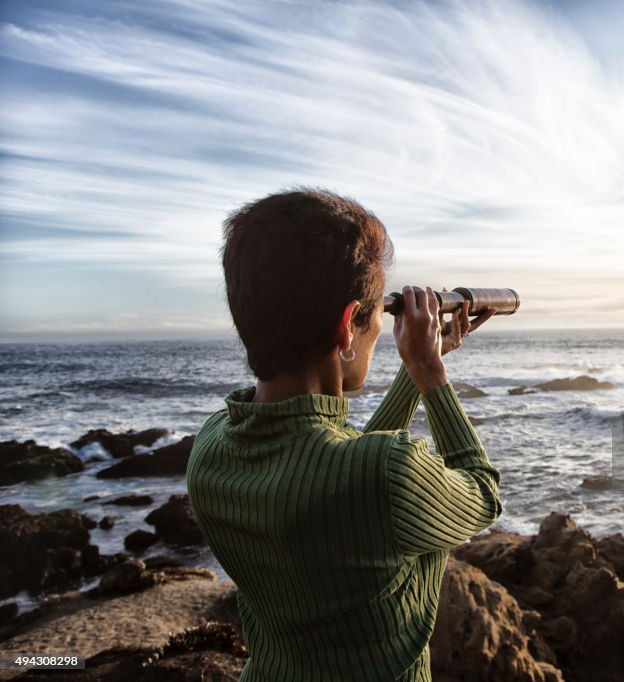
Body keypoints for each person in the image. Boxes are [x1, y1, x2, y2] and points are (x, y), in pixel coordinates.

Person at [185, 188, 502, 682]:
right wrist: (429, 373)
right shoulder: (381, 474)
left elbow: (346, 477)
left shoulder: (210, 448)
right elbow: (482, 493)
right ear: (346, 326)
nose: (382, 325)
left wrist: (412, 373)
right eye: (377, 313)